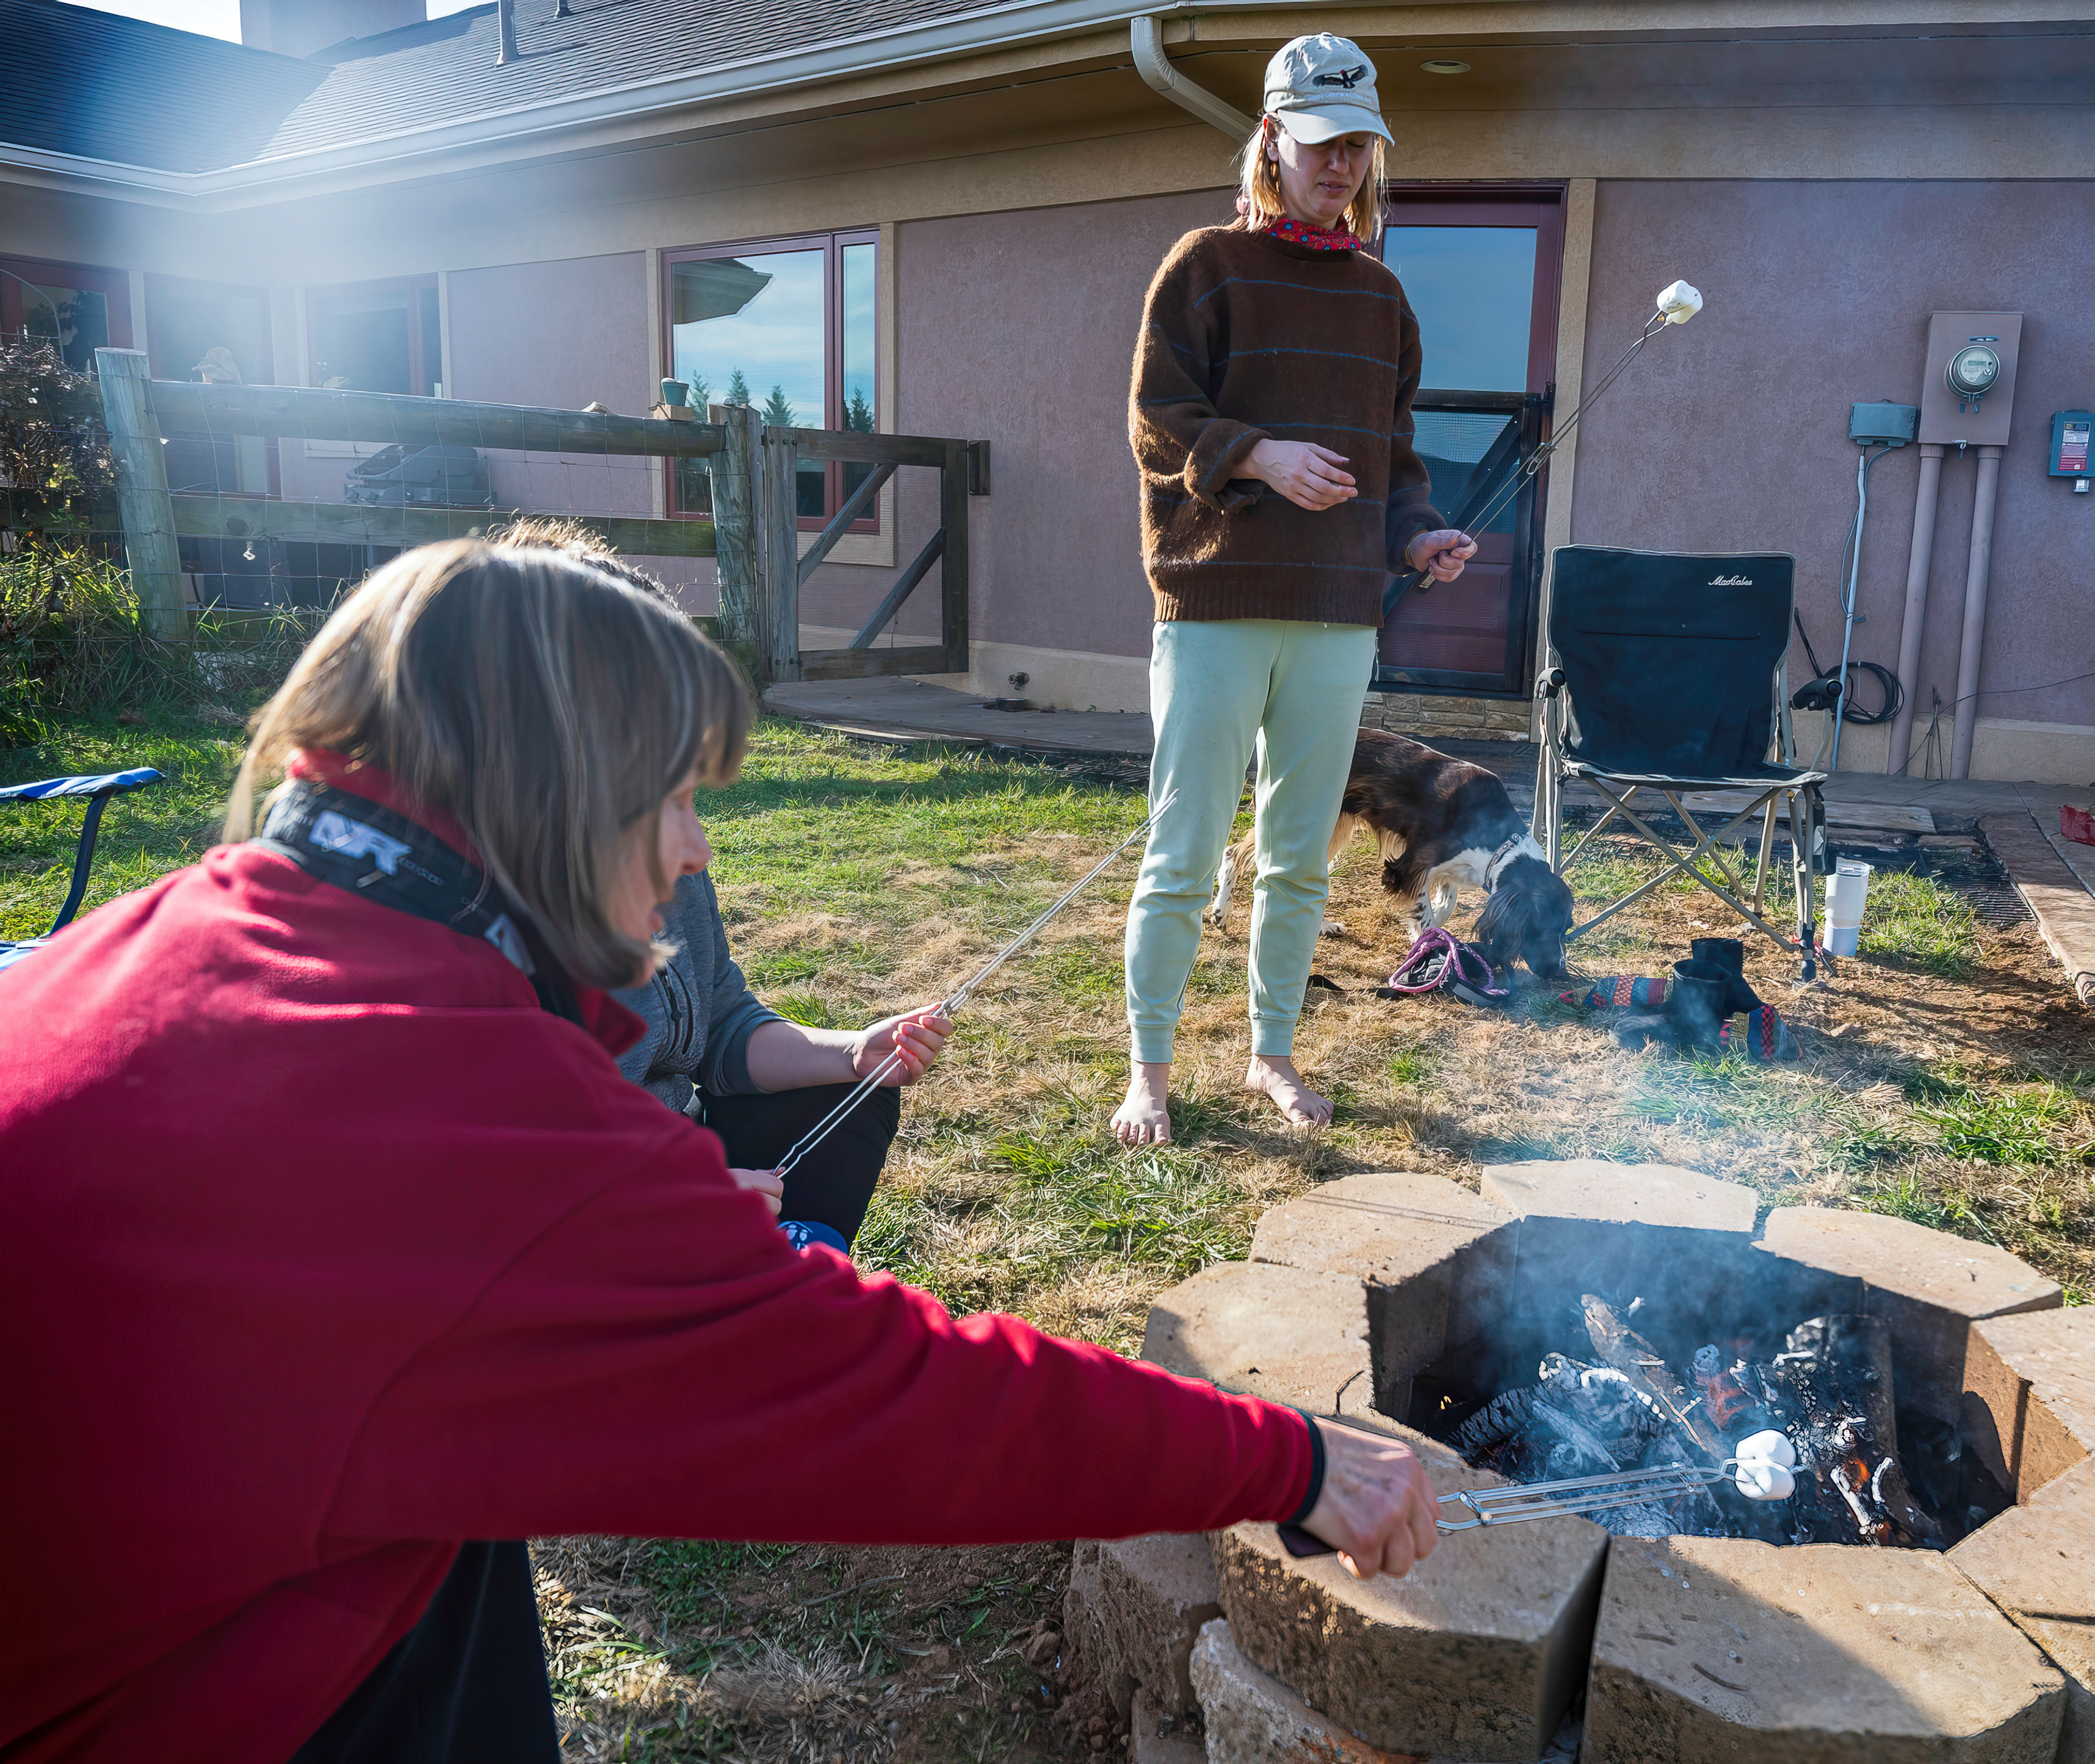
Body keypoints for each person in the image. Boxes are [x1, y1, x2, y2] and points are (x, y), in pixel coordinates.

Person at [0, 541, 1439, 1763]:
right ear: (562, 795)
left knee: (452, 1533)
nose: (693, 851)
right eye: (678, 796)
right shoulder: (447, 1094)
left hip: (149, 1585)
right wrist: (1288, 1454)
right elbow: (898, 1400)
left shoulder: (180, 925)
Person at [1115, 33, 1477, 1146]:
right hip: (1216, 606)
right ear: (1273, 139)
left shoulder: (1381, 299)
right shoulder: (1204, 267)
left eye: (1360, 145)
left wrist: (1418, 536)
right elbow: (1154, 422)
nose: (1342, 165)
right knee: (1181, 857)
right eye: (1321, 143)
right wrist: (1260, 455)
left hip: (1336, 617)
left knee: (1296, 860)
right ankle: (1151, 1074)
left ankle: (1272, 1054)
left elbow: (1395, 461)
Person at [497, 517, 939, 1254]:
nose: (699, 851)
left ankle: (789, 1290)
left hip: (667, 1163)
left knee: (850, 1100)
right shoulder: (472, 935)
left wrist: (854, 1053)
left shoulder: (663, 867)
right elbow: (506, 1182)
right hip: (578, 1227)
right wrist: (673, 1198)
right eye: (665, 797)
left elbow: (722, 1026)